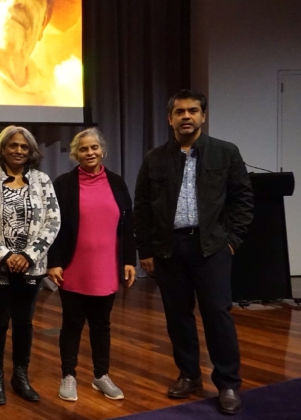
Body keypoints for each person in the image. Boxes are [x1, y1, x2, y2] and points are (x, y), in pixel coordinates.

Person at [134, 89, 253, 415]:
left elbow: (243, 200)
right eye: (180, 112)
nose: (186, 116)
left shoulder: (225, 153)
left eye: (193, 111)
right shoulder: (154, 158)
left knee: (217, 315)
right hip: (169, 249)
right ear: (170, 118)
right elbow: (142, 206)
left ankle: (228, 383)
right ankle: (188, 375)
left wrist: (232, 241)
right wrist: (145, 249)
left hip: (212, 247)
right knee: (178, 317)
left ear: (203, 116)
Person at [0, 125, 60, 405]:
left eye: (24, 146)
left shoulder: (43, 181)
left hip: (30, 267)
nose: (19, 150)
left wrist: (30, 255)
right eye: (13, 146)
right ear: (2, 149)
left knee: (24, 324)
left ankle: (20, 376)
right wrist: (5, 255)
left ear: (31, 151)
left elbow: (53, 220)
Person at [47, 128, 135, 402]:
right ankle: (69, 376)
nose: (90, 153)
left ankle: (101, 376)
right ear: (75, 154)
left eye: (94, 147)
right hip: (73, 266)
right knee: (72, 324)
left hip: (107, 267)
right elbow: (54, 226)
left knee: (102, 325)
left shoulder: (117, 183)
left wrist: (129, 260)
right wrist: (55, 262)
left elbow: (127, 225)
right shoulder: (63, 184)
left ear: (102, 150)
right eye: (83, 149)